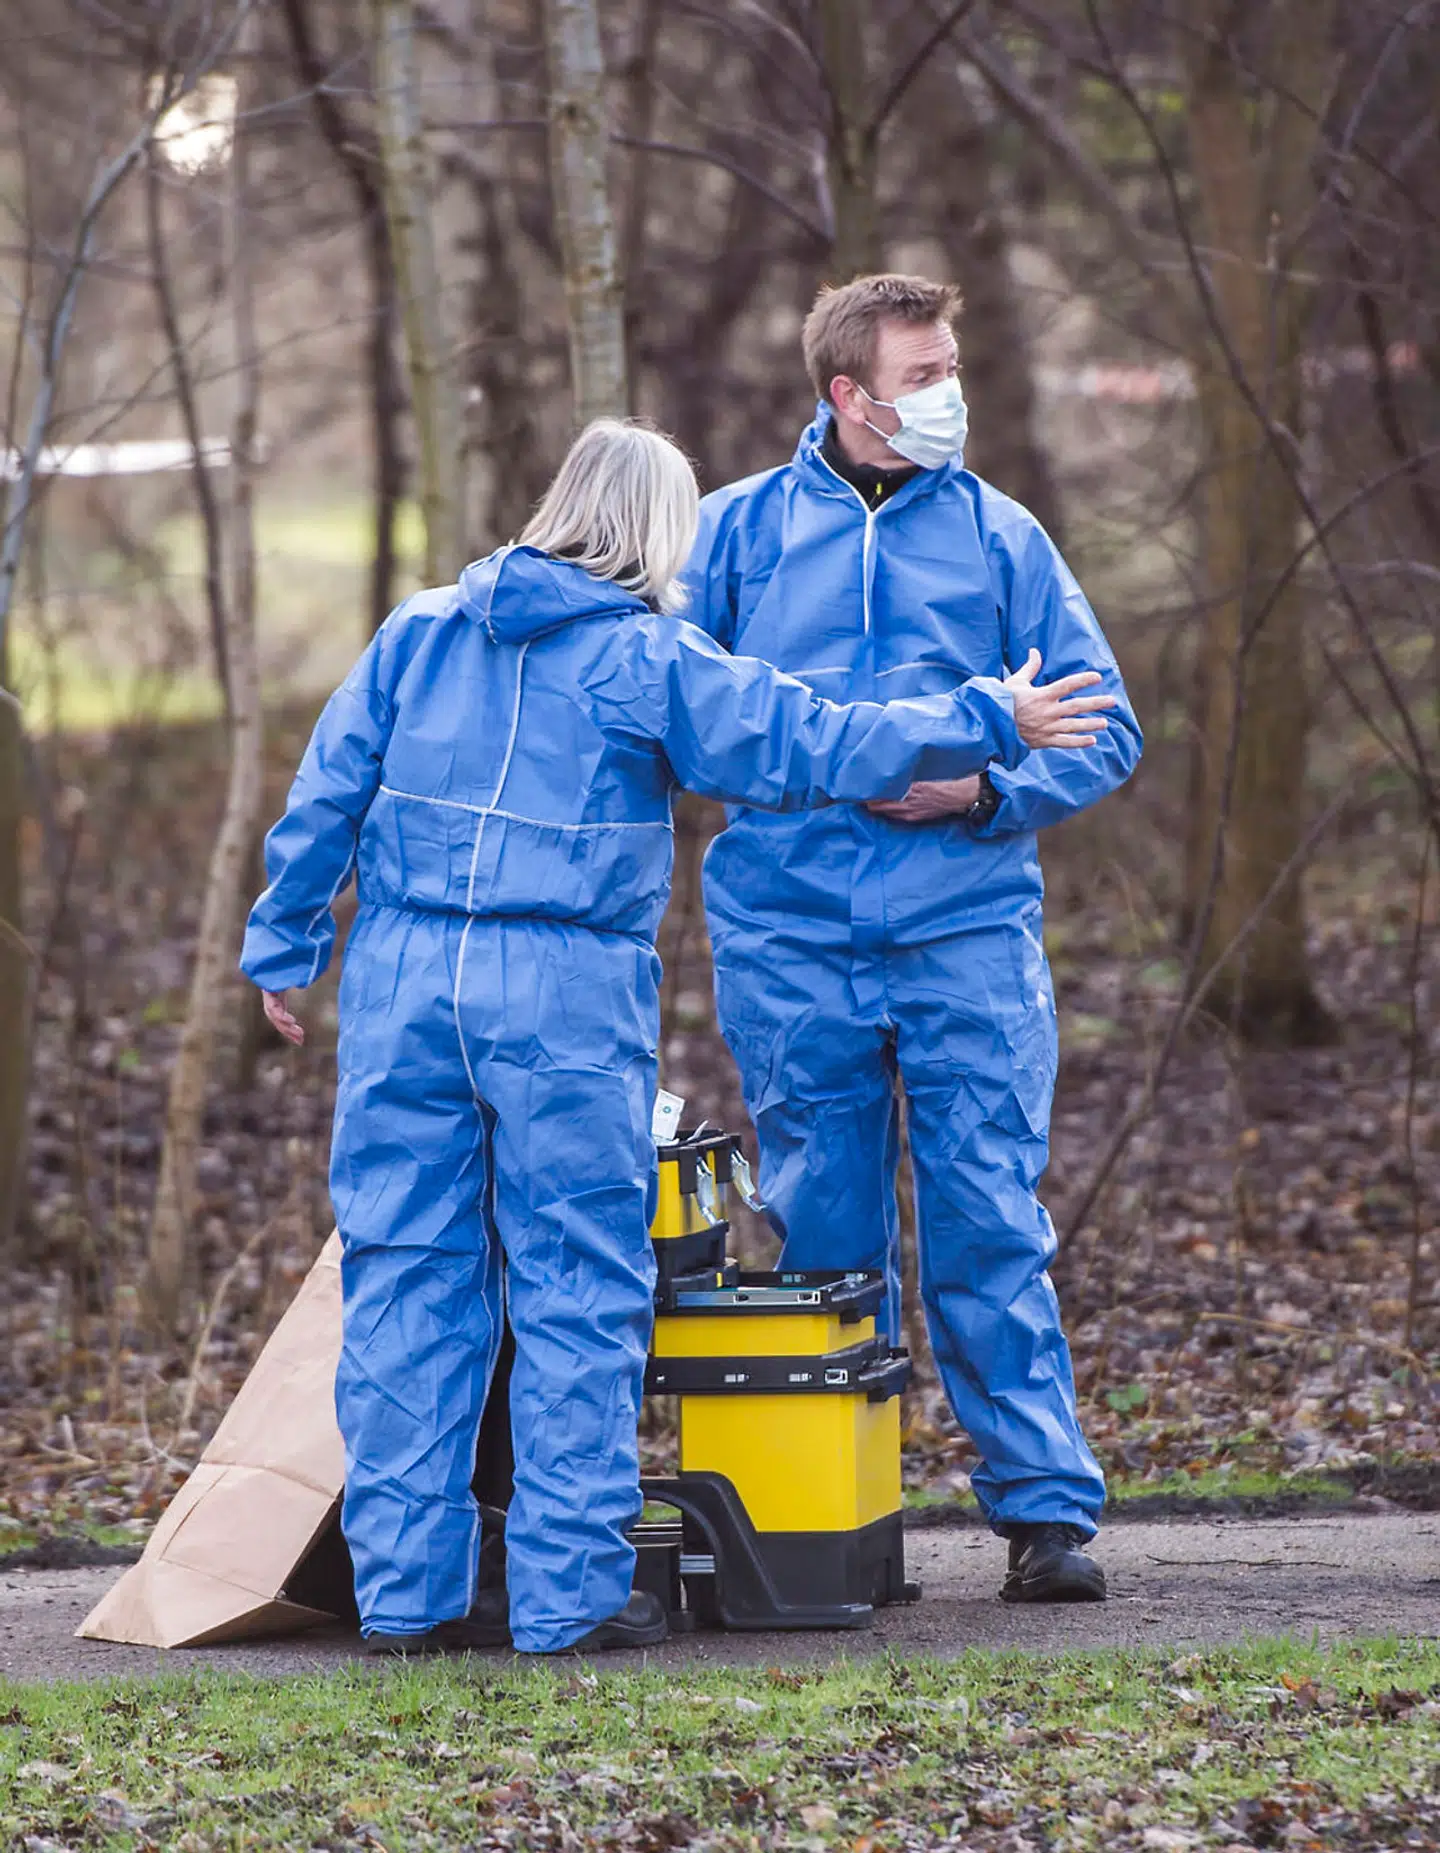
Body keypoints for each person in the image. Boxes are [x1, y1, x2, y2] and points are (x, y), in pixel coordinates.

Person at [239, 417, 1115, 1657]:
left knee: (408, 1278)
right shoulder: (646, 659)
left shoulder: (422, 628)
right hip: (560, 983)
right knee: (575, 1280)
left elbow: (327, 789)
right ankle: (567, 1594)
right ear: (658, 531)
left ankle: (407, 1595)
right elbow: (812, 738)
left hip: (399, 980)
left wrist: (284, 944)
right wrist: (990, 713)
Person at [682, 275, 1144, 1605]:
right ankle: (848, 1529)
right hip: (787, 933)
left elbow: (1102, 723)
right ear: (849, 394)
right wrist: (792, 772)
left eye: (953, 367)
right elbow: (668, 710)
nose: (950, 393)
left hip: (964, 929)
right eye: (924, 373)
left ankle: (1045, 1517)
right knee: (823, 1237)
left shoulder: (1004, 540)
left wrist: (987, 789)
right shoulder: (736, 538)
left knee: (990, 1218)